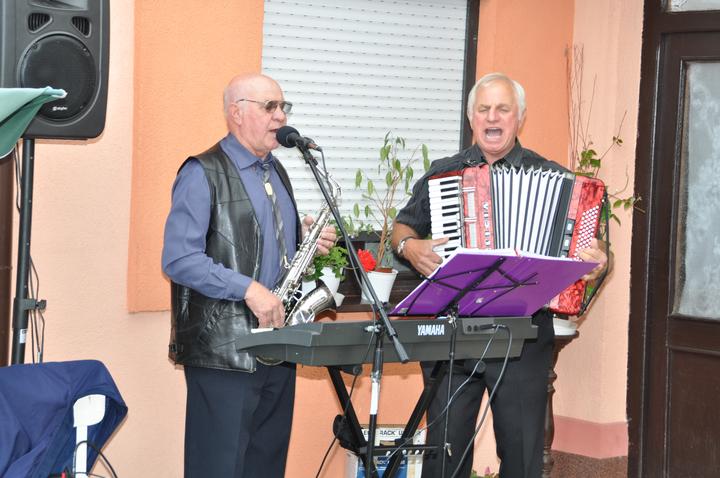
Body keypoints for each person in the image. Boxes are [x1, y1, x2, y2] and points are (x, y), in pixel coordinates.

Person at [391, 72, 608, 478]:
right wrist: (409, 247)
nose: (492, 117)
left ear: (519, 117)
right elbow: (402, 228)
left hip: (522, 337)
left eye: (503, 109)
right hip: (452, 336)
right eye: (484, 109)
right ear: (471, 117)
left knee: (523, 457)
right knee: (443, 457)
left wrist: (597, 263)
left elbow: (590, 255)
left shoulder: (558, 180)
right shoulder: (442, 175)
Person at [162, 73, 336, 478]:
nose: (281, 116)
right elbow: (179, 259)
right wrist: (249, 289)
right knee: (218, 469)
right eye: (269, 107)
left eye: (283, 107)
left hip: (278, 346)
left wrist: (304, 241)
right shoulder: (201, 172)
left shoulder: (276, 172)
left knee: (267, 467)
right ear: (236, 113)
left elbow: (258, 246)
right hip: (225, 353)